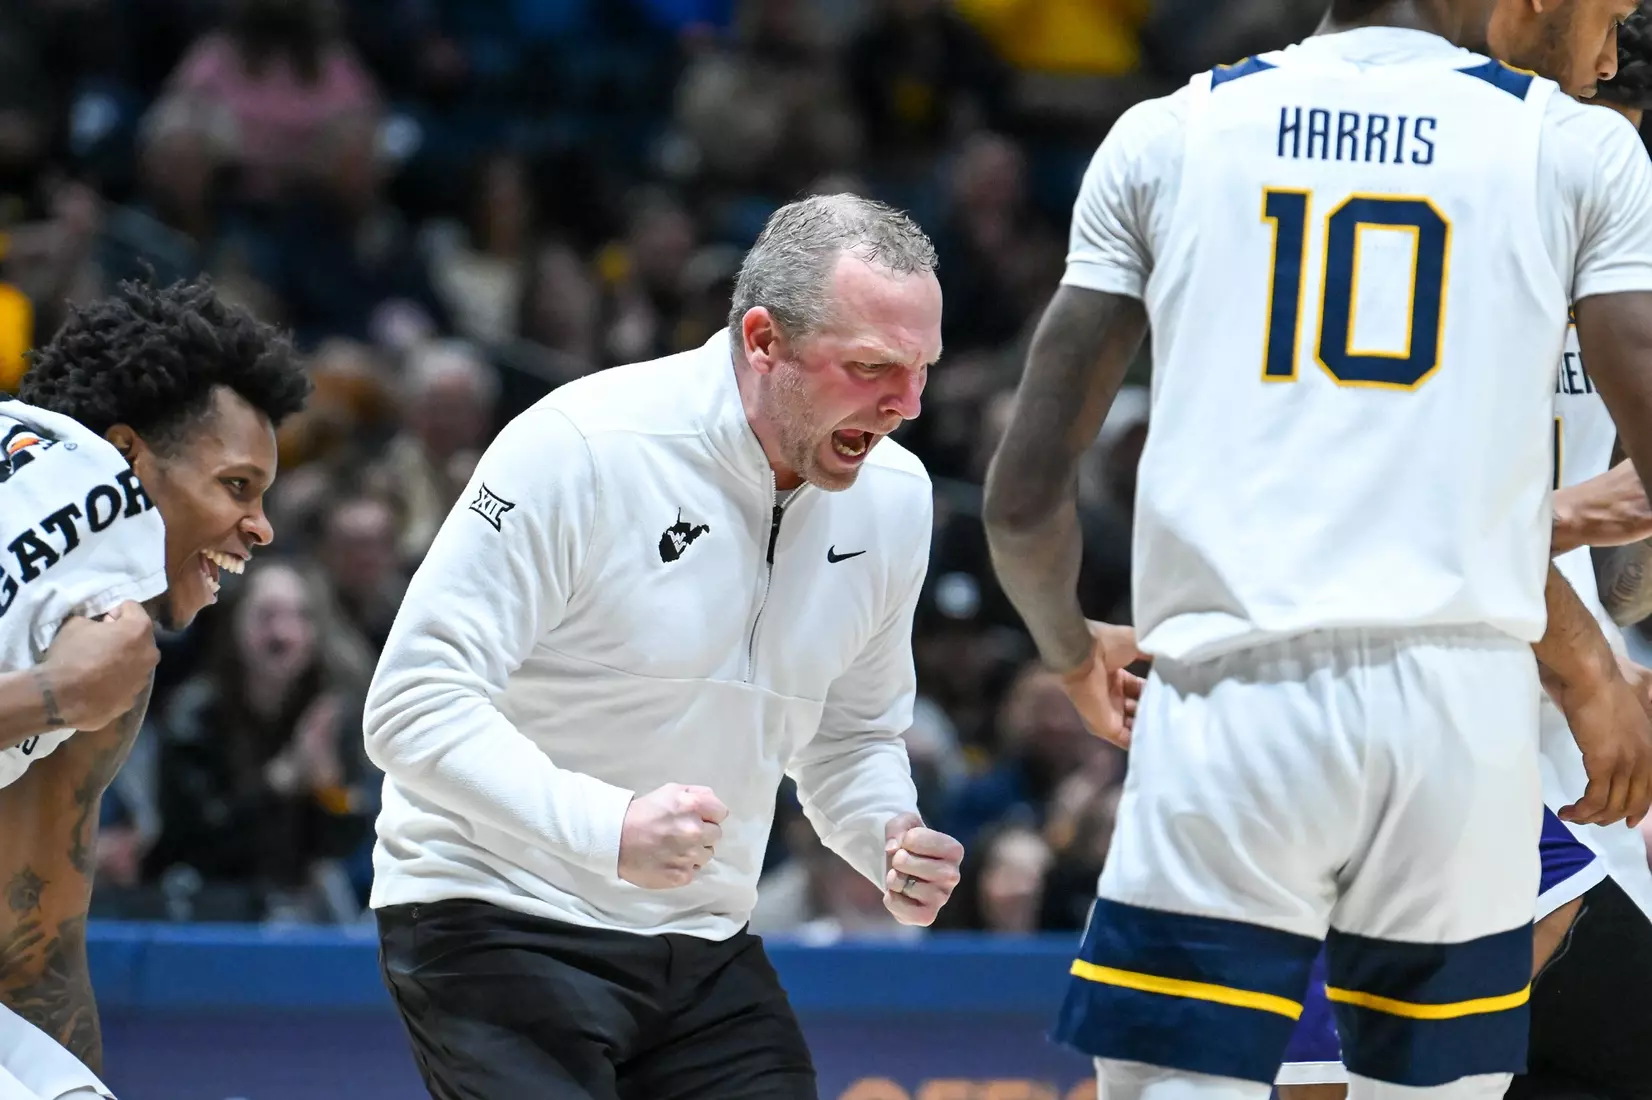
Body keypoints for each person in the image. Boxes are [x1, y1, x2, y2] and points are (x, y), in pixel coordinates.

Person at [982, 1, 1652, 1098]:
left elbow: (1019, 499)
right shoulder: (1569, 142)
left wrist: (1067, 651)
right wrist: (1583, 653)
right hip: (1460, 713)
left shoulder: (1168, 130)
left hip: (1229, 702)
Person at [364, 193, 966, 1100]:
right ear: (762, 341)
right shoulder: (581, 446)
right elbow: (412, 706)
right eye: (873, 367)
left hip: (702, 938)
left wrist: (888, 831)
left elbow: (849, 738)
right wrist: (606, 831)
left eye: (922, 369)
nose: (907, 405)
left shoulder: (895, 497)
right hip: (493, 913)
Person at [1278, 8, 1652, 1099]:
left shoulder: (1613, 270)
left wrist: (1604, 607)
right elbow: (1373, 496)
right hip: (1401, 700)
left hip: (1553, 724)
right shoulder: (1429, 218)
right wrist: (1569, 540)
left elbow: (1620, 566)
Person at [0, 276, 308, 1099]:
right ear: (129, 455)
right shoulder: (73, 576)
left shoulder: (101, 637)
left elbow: (32, 947)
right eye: (237, 486)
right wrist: (49, 697)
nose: (262, 528)